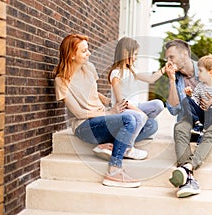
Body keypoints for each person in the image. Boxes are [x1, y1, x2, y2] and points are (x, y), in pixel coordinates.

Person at [54, 34, 152, 188]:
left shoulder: (89, 68)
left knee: (150, 124)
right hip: (85, 126)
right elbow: (79, 113)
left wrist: (109, 103)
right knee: (129, 120)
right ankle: (114, 170)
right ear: (72, 55)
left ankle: (111, 144)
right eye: (84, 51)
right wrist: (109, 113)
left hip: (102, 116)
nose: (89, 53)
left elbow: (92, 93)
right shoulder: (61, 81)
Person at [164, 39, 212, 198]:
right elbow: (173, 109)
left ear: (184, 54)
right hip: (191, 120)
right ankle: (189, 180)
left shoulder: (208, 68)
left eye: (171, 57)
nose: (168, 62)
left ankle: (186, 170)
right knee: (179, 127)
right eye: (167, 58)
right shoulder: (176, 77)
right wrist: (172, 81)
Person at [93, 37, 165, 160]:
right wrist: (140, 112)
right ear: (126, 53)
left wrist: (164, 69)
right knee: (143, 118)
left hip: (135, 106)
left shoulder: (133, 71)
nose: (136, 57)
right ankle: (127, 147)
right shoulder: (116, 74)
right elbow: (121, 100)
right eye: (135, 54)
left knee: (158, 105)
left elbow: (151, 79)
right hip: (123, 110)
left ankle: (130, 132)